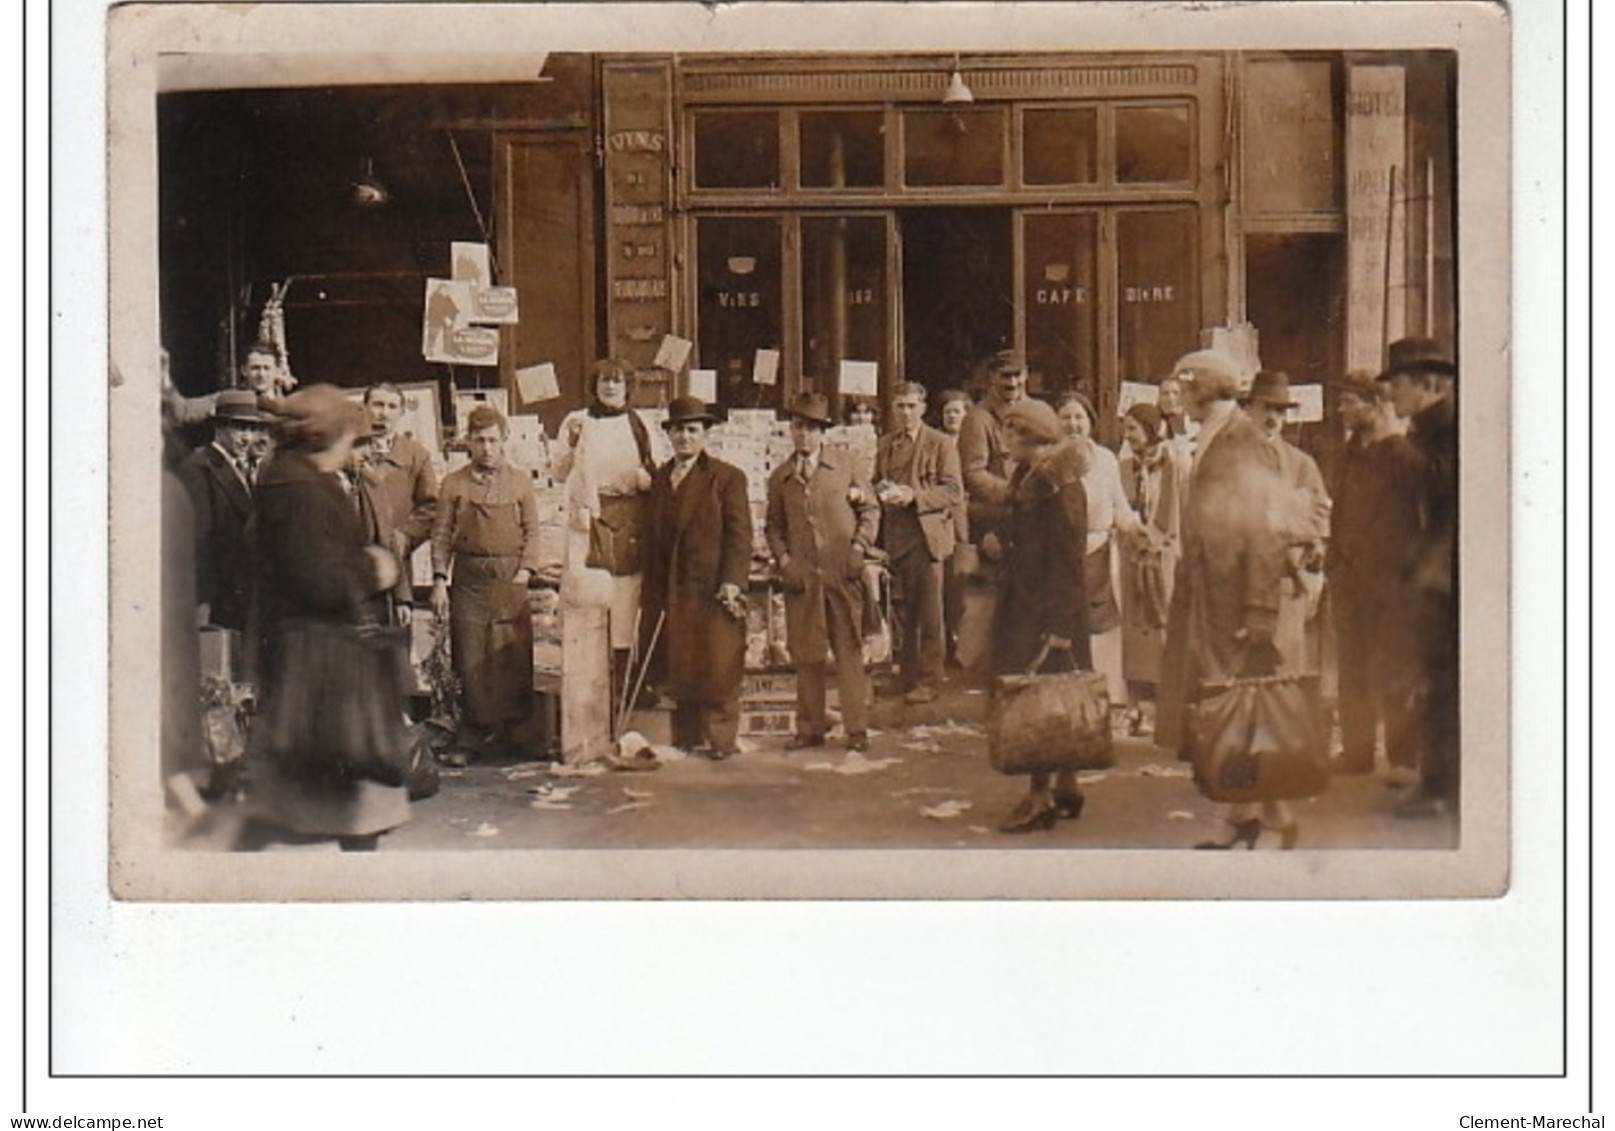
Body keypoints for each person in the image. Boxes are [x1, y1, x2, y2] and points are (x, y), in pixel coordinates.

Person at [242, 385, 411, 850]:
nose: (352, 449)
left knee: (310, 801)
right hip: (325, 667)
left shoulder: (290, 478)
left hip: (304, 658)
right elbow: (318, 576)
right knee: (340, 799)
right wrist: (374, 568)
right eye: (349, 439)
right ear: (330, 436)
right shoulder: (301, 489)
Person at [1153, 351, 1297, 849]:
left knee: (1234, 702)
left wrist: (1260, 608)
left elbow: (1265, 530)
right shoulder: (1215, 436)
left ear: (1201, 388)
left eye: (1182, 383)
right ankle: (1264, 810)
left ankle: (1251, 812)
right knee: (1232, 701)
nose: (1177, 394)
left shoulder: (1243, 441)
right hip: (1208, 595)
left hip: (1233, 598)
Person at [990, 398, 1093, 832]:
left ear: (1032, 436)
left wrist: (1060, 628)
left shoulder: (1060, 484)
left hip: (1048, 613)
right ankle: (1067, 784)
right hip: (1032, 605)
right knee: (1057, 698)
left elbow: (1069, 558)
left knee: (1039, 705)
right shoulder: (1028, 476)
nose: (1005, 438)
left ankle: (1039, 795)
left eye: (1012, 431)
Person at [765, 393, 880, 753]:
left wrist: (859, 549)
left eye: (812, 428)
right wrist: (785, 561)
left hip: (841, 574)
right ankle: (810, 728)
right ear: (790, 431)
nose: (804, 436)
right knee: (806, 653)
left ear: (823, 433)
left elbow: (871, 510)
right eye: (798, 427)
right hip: (803, 579)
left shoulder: (845, 466)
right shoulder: (781, 477)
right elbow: (773, 527)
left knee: (849, 650)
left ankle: (856, 730)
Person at [641, 396, 754, 759]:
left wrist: (733, 581)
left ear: (705, 434)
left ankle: (722, 740)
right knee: (682, 660)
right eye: (677, 430)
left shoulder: (727, 478)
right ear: (669, 435)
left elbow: (740, 536)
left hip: (713, 586)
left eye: (692, 430)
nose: (684, 437)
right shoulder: (661, 478)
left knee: (719, 662)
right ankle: (687, 735)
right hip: (674, 588)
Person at [1324, 370, 1423, 782]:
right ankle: (1357, 752)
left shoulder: (1401, 454)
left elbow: (1418, 520)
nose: (1342, 410)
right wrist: (1333, 565)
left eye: (1350, 402)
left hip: (1390, 584)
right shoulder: (1348, 454)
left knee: (1394, 670)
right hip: (1349, 581)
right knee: (1352, 668)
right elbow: (1340, 513)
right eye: (1341, 401)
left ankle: (1401, 759)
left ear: (1375, 404)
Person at [551, 358, 667, 705]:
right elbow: (557, 471)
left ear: (628, 386)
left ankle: (626, 684)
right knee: (588, 593)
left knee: (626, 598)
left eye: (617, 381)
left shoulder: (640, 423)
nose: (610, 387)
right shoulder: (576, 420)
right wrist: (571, 446)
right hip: (588, 520)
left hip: (630, 519)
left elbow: (657, 470)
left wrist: (640, 479)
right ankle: (590, 682)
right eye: (604, 380)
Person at [429, 406, 542, 761]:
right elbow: (442, 534)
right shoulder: (454, 483)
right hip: (469, 581)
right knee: (471, 656)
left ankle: (514, 738)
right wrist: (438, 579)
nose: (487, 448)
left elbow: (533, 531)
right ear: (469, 442)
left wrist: (526, 571)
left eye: (493, 440)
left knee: (511, 655)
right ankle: (474, 735)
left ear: (504, 440)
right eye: (480, 441)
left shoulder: (521, 481)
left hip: (510, 578)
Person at [1376, 337, 1459, 818]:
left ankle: (1442, 788)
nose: (1391, 396)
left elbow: (1441, 485)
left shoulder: (1448, 428)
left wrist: (1394, 442)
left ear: (1428, 385)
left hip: (1445, 580)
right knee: (1429, 677)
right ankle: (1435, 779)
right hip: (1426, 576)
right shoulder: (1424, 430)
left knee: (1443, 680)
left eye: (1398, 385)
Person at [1056, 390, 1146, 717]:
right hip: (1064, 555)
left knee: (1104, 628)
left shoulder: (1106, 459)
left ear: (1090, 422)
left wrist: (1140, 530)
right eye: (1066, 417)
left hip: (1102, 553)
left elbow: (1119, 507)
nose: (1073, 424)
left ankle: (1107, 699)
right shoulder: (1052, 459)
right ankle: (1071, 703)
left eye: (1079, 417)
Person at [874, 382, 963, 705]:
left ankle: (930, 679)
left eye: (912, 406)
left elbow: (953, 491)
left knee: (930, 614)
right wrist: (882, 489)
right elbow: (875, 482)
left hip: (928, 539)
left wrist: (914, 496)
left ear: (923, 408)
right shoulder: (886, 445)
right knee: (903, 613)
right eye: (900, 406)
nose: (906, 413)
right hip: (898, 537)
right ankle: (906, 675)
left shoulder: (940, 444)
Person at [1240, 371, 1332, 674]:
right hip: (1238, 582)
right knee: (1239, 674)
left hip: (1285, 581)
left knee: (1284, 674)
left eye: (1279, 410)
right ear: (1249, 408)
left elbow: (1318, 518)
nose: (1272, 417)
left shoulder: (1300, 464)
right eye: (1265, 407)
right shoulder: (1229, 459)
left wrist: (1282, 529)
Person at [177, 388, 274, 634]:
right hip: (221, 596)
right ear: (219, 428)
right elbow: (199, 539)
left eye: (251, 429)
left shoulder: (244, 469)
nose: (246, 437)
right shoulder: (200, 466)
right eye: (238, 428)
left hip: (243, 593)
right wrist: (203, 600)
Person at [1116, 402, 1187, 737]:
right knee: (1135, 628)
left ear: (1149, 429)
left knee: (1162, 625)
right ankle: (1135, 705)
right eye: (1125, 429)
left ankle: (1162, 705)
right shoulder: (1125, 466)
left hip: (1164, 555)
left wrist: (1157, 540)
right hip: (1133, 554)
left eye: (1132, 428)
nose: (1127, 436)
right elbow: (1124, 506)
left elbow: (1175, 511)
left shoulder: (1174, 463)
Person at [362, 383, 440, 607]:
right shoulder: (349, 450)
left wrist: (405, 537)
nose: (383, 412)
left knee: (395, 626)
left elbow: (431, 507)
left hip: (397, 560)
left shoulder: (415, 455)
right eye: (377, 404)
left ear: (401, 412)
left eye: (391, 406)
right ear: (365, 407)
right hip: (355, 558)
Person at [956, 350, 1028, 567]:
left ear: (1026, 375)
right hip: (996, 519)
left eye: (1017, 375)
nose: (1013, 382)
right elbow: (973, 472)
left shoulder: (1035, 412)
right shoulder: (978, 419)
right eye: (1005, 376)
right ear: (992, 377)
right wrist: (1011, 492)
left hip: (1033, 517)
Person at [936, 388, 973, 669]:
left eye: (957, 411)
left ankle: (963, 643)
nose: (952, 416)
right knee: (942, 587)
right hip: (940, 521)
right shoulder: (936, 443)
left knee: (961, 585)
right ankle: (945, 644)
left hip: (966, 521)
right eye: (948, 411)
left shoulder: (972, 445)